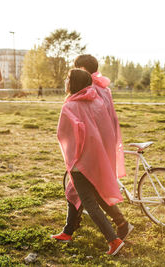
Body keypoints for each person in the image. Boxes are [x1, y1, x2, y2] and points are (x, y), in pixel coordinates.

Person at [53, 69, 126, 255]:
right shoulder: (97, 102)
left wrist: (74, 157)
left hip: (80, 162)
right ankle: (68, 232)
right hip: (97, 158)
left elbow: (64, 134)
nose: (65, 81)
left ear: (73, 83)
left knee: (89, 202)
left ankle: (114, 240)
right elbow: (106, 130)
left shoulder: (69, 107)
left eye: (68, 79)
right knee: (92, 195)